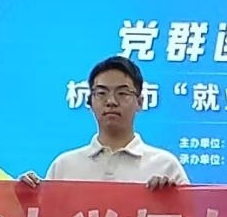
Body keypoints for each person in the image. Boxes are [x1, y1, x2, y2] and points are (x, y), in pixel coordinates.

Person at [19, 56, 187, 189]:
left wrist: (171, 198)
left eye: (122, 93)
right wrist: (26, 195)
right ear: (90, 102)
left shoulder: (165, 166)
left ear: (140, 102)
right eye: (101, 93)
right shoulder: (64, 166)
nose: (111, 101)